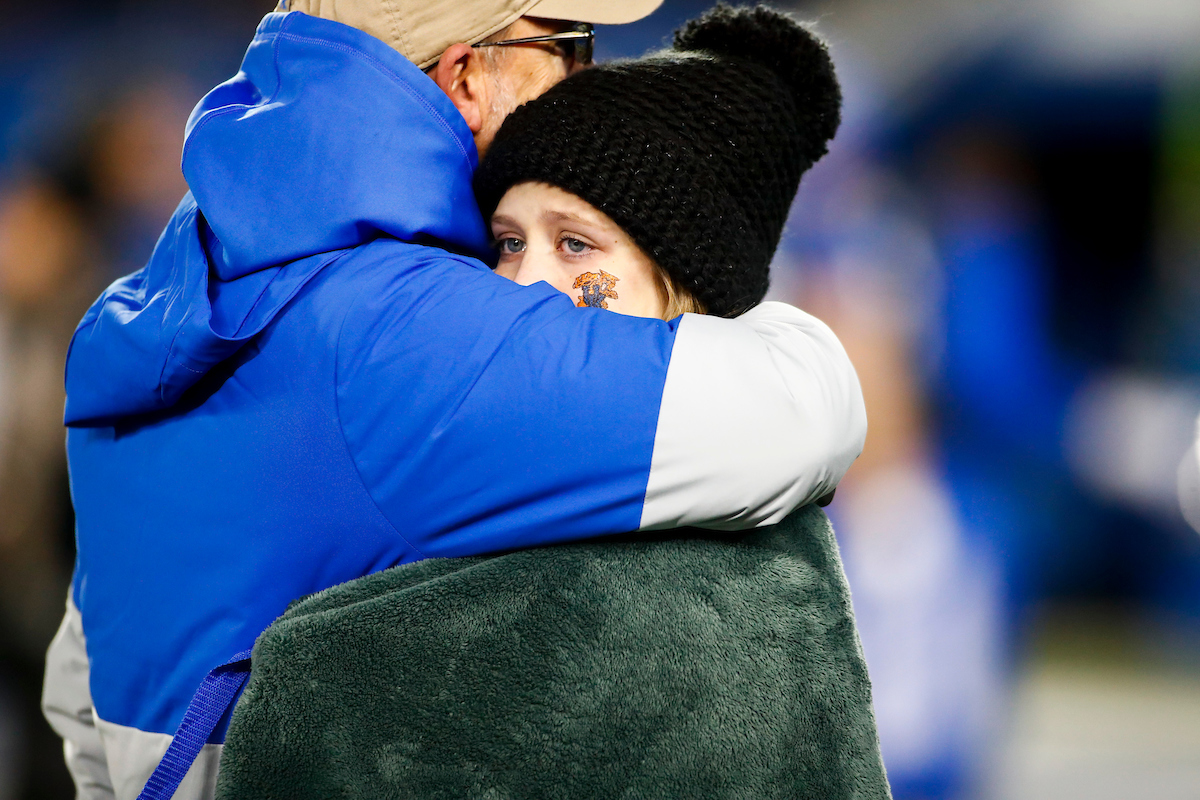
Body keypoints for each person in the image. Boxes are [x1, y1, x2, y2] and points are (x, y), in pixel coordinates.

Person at [42, 1, 867, 798]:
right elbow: (805, 407)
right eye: (569, 45)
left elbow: (76, 694)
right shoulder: (413, 336)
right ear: (467, 76)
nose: (585, 73)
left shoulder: (167, 282)